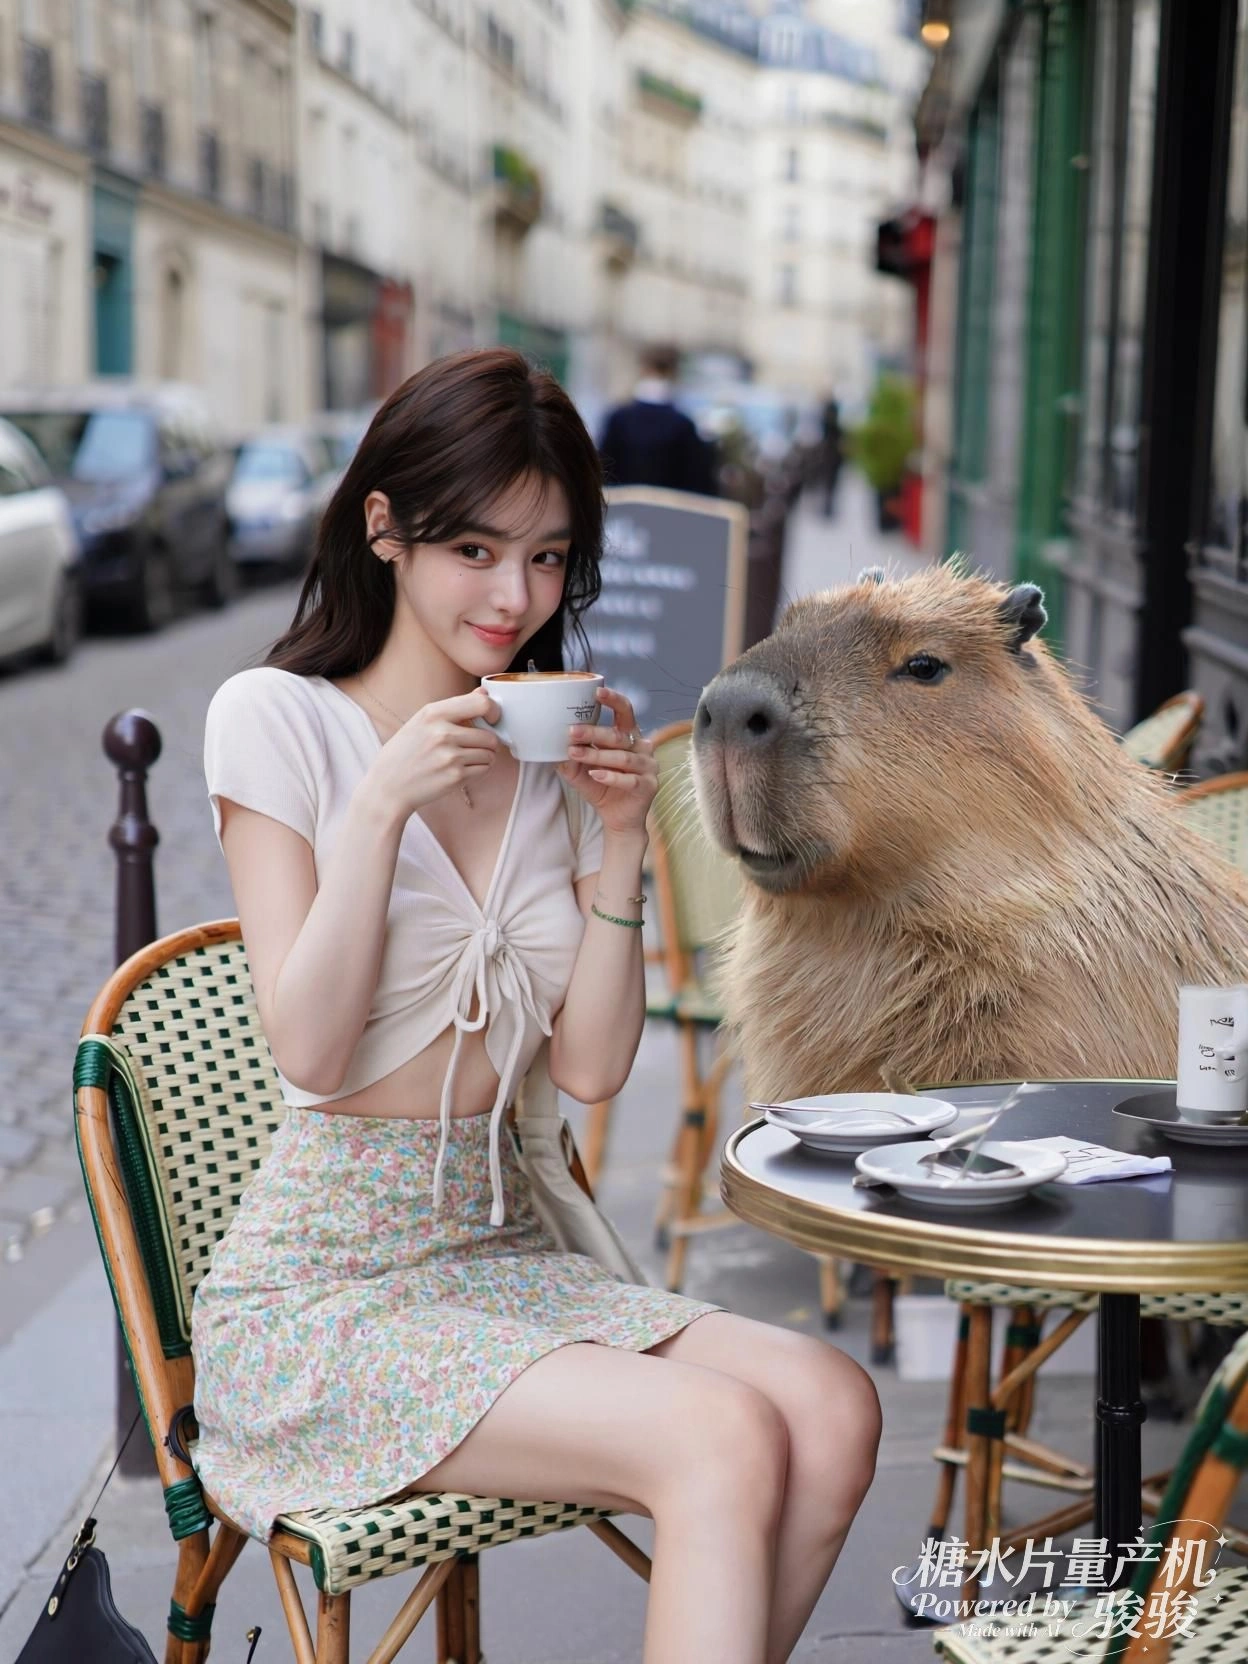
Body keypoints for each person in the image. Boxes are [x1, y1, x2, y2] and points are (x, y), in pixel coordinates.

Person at [193, 347, 880, 1663]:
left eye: (552, 558)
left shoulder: (548, 751)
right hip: (329, 1293)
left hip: (506, 1256)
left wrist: (620, 840)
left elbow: (593, 1070)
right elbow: (310, 1049)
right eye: (477, 549)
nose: (516, 596)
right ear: (384, 528)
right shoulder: (275, 721)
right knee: (720, 1433)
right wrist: (384, 803)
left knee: (834, 1402)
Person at [598, 341, 719, 496]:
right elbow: (698, 484)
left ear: (643, 369)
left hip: (623, 515)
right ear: (674, 372)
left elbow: (603, 473)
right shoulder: (683, 425)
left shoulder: (618, 419)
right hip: (670, 516)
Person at [820, 394, 843, 518]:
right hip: (833, 459)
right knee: (830, 486)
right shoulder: (835, 428)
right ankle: (828, 507)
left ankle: (828, 507)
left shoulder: (831, 428)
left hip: (831, 459)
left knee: (829, 485)